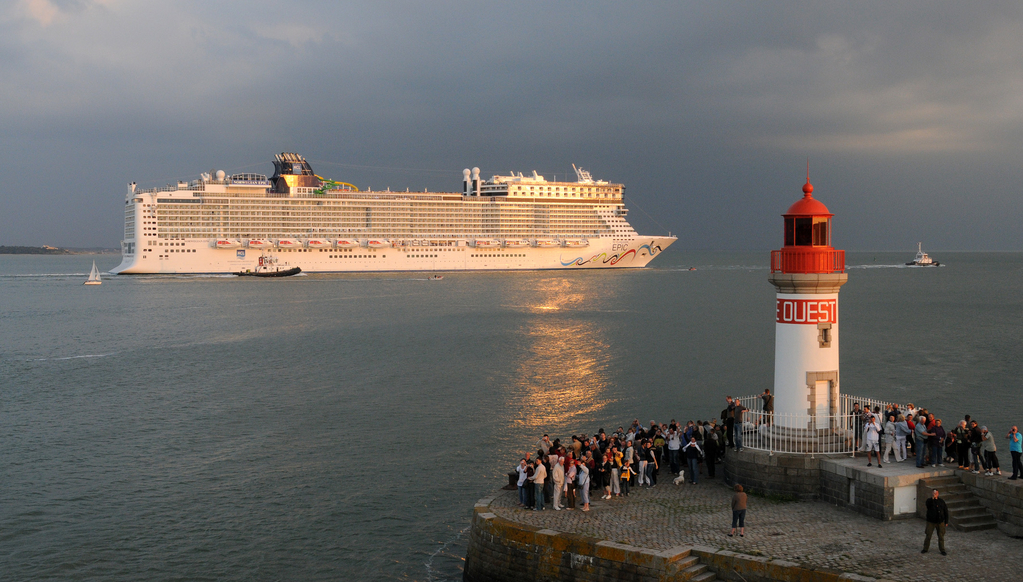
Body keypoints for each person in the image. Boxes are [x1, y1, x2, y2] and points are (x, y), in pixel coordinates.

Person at [922, 489, 949, 555]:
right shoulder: (929, 501)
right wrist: (932, 499)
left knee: (941, 536)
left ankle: (942, 549)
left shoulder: (941, 501)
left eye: (936, 493)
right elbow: (928, 505)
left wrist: (946, 521)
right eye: (934, 493)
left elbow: (945, 511)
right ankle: (925, 548)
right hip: (931, 521)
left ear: (938, 493)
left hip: (940, 521)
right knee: (928, 535)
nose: (935, 494)